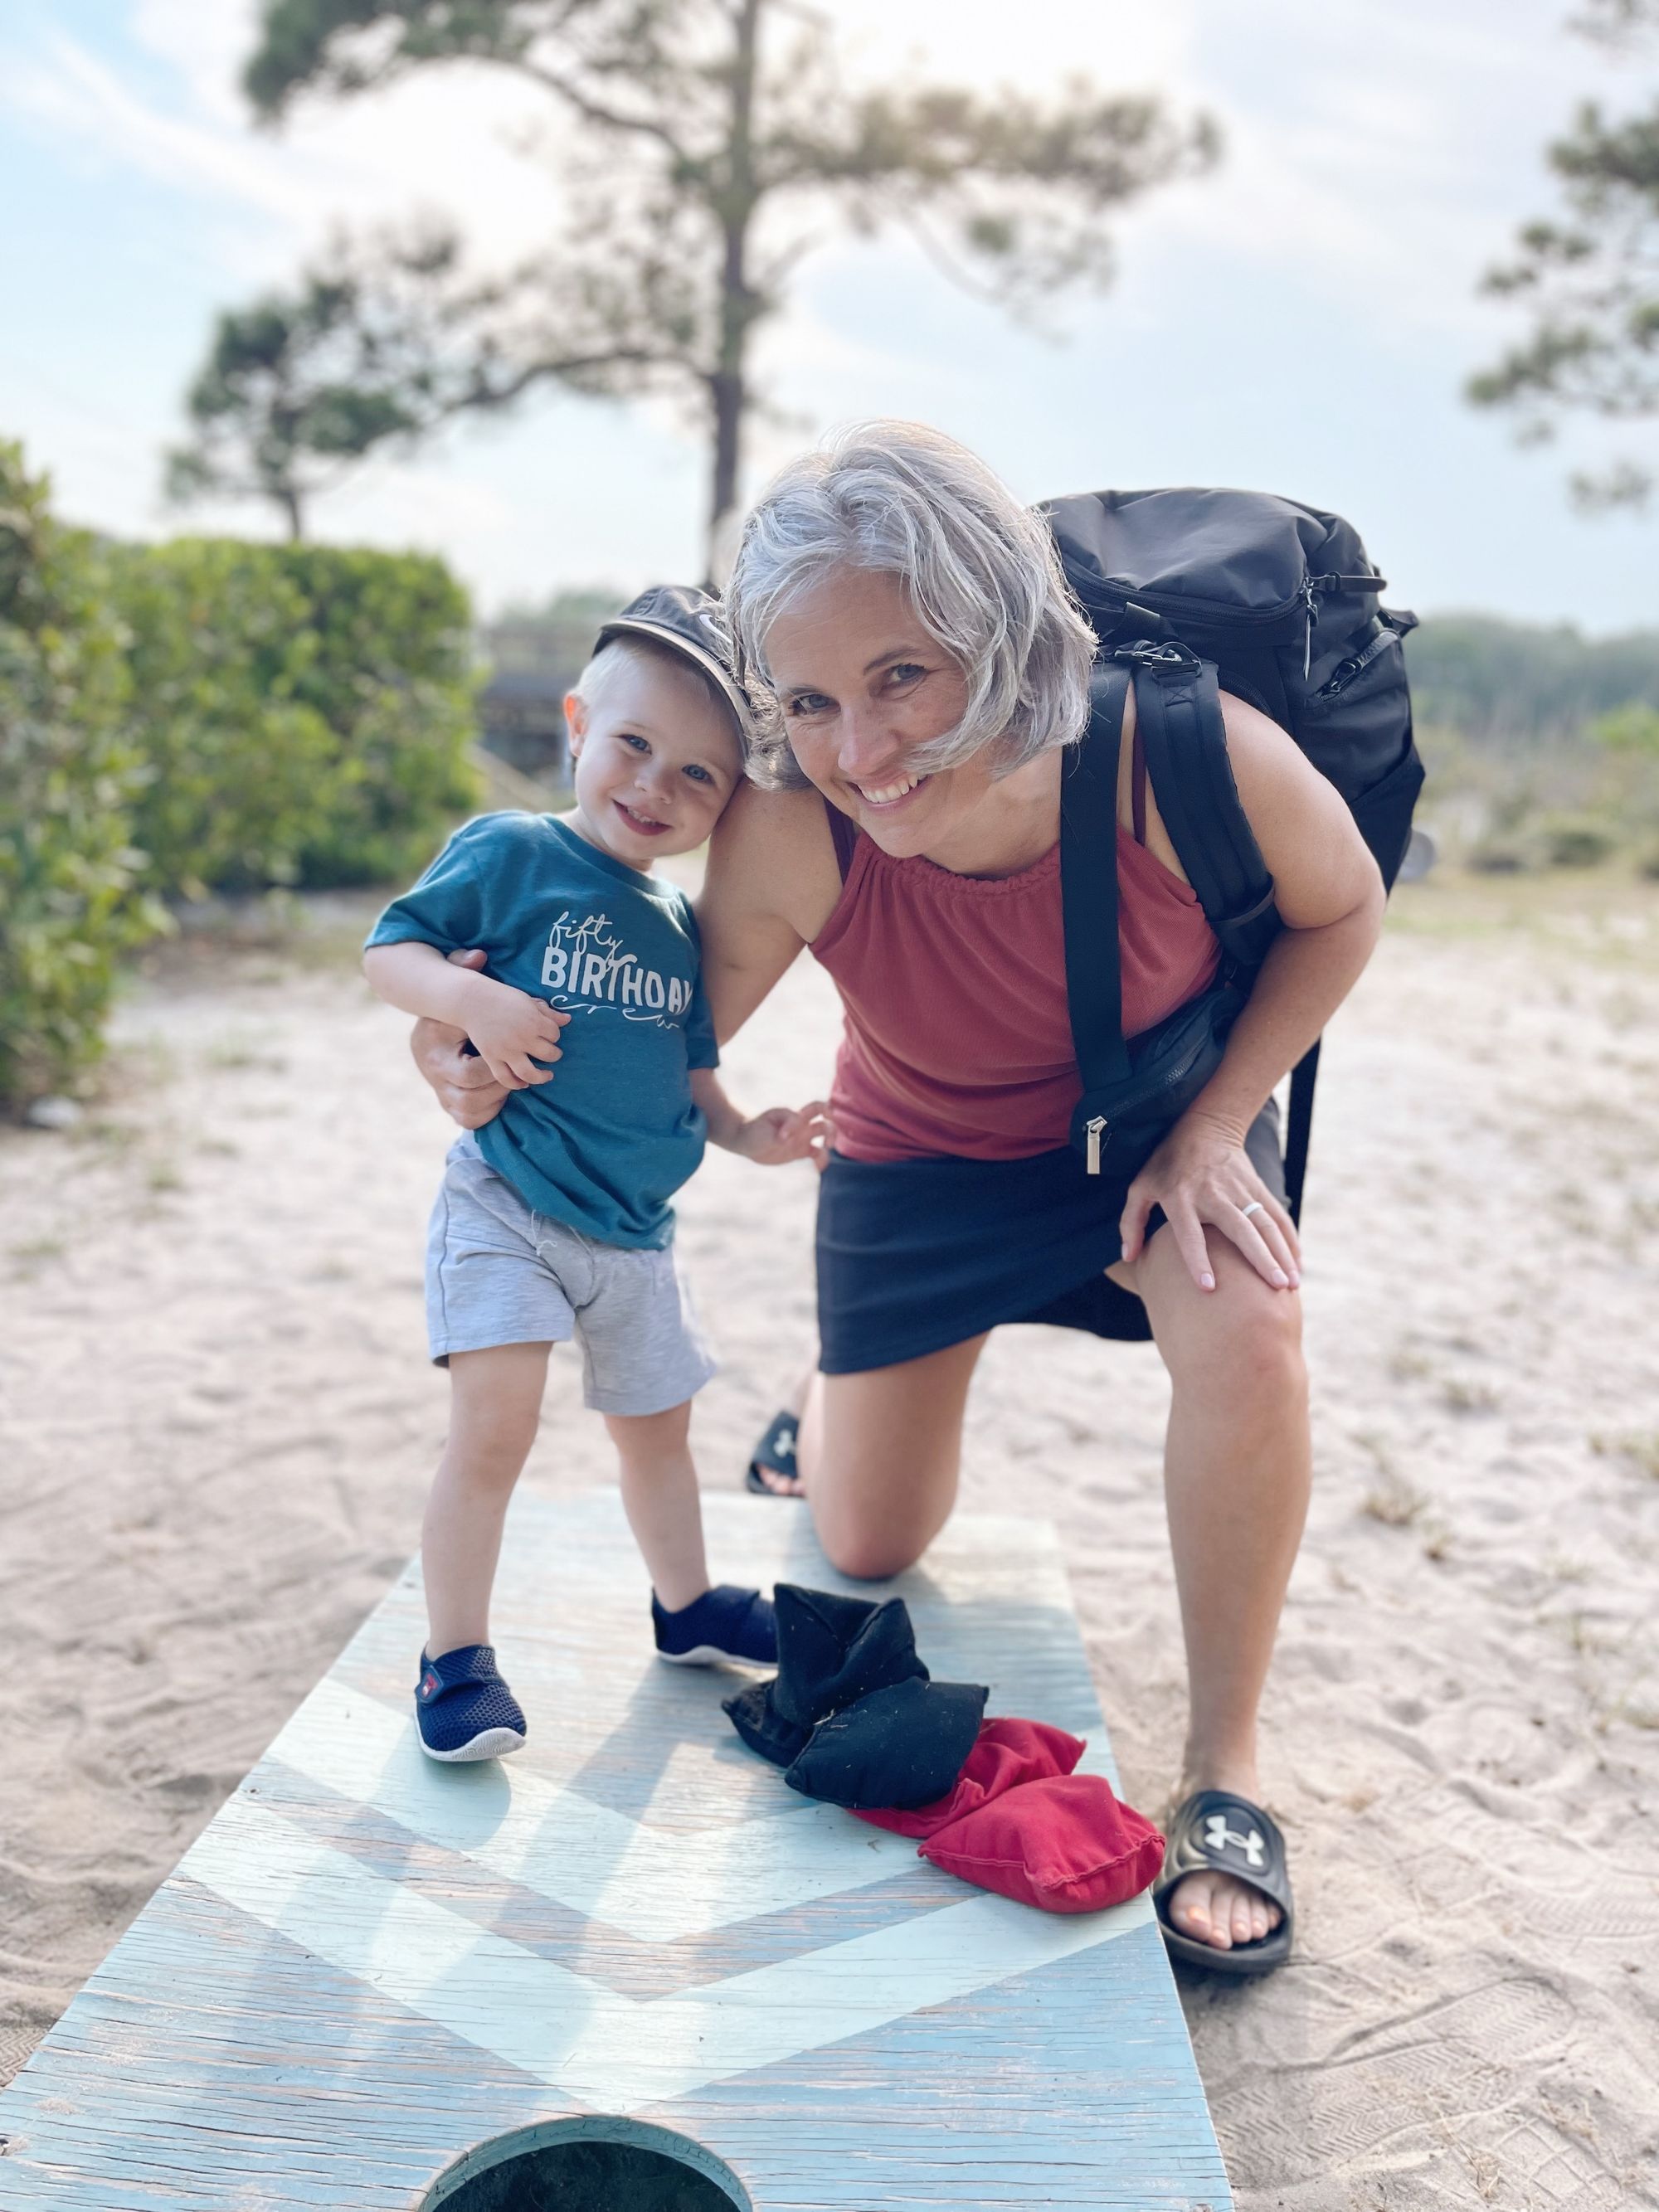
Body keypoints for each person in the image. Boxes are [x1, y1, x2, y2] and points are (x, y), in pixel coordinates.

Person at [411, 426, 1385, 1974]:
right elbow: (655, 1045)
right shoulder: (795, 827)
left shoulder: (1185, 754)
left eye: (902, 678)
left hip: (1157, 1127)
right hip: (918, 1155)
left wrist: (1216, 1127)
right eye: (806, 701)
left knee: (1252, 1325)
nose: (858, 752)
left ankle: (1229, 1767)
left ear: (1002, 637)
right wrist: (472, 1051)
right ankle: (821, 1402)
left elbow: (1345, 909)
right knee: (865, 1540)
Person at [365, 587, 829, 1764]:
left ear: (730, 800)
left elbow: (691, 1077)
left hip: (635, 1231)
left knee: (659, 1433)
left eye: (697, 775)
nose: (655, 787)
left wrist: (751, 1135)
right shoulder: (513, 852)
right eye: (633, 745)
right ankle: (455, 1662)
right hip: (509, 1201)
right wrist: (470, 1001)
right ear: (578, 723)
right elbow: (391, 951)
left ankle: (688, 1606)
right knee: (495, 1429)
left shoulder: (677, 927)